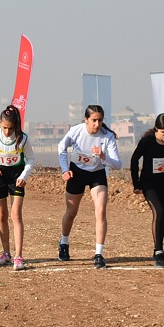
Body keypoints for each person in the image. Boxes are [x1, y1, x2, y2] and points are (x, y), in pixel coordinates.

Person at [56, 105, 122, 268]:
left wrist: (103, 156)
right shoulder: (76, 131)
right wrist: (65, 169)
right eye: (94, 120)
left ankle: (99, 254)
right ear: (86, 120)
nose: (97, 124)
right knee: (71, 212)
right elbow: (61, 147)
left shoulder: (107, 136)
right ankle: (64, 243)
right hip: (77, 173)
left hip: (97, 174)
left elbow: (118, 164)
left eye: (100, 120)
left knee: (101, 211)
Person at [128, 113, 164, 268]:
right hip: (149, 183)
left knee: (163, 214)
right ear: (156, 129)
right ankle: (158, 251)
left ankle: (160, 250)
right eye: (163, 133)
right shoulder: (147, 141)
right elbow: (134, 160)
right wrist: (136, 183)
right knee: (158, 211)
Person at [0, 106, 33, 271]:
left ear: (15, 125)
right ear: (0, 123)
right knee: (2, 216)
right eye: (4, 128)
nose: (7, 132)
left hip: (16, 177)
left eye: (10, 128)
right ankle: (6, 253)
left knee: (16, 214)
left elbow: (30, 158)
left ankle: (18, 256)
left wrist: (24, 176)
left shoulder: (23, 138)